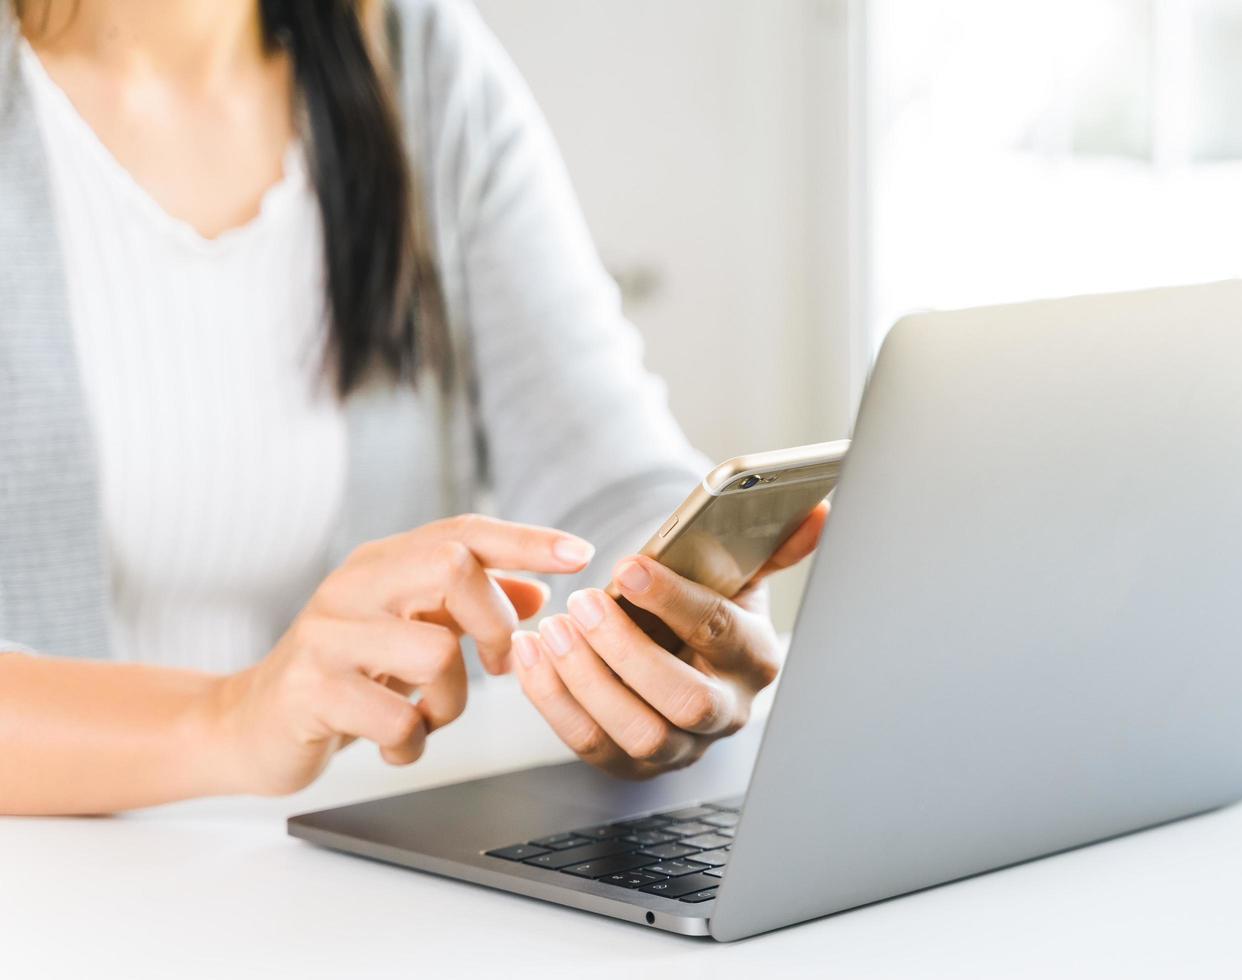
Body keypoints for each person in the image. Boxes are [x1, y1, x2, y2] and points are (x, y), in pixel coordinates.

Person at [0, 0, 828, 814]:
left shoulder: (418, 57)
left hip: (350, 890)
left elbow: (607, 482)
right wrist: (232, 718)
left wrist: (659, 626)